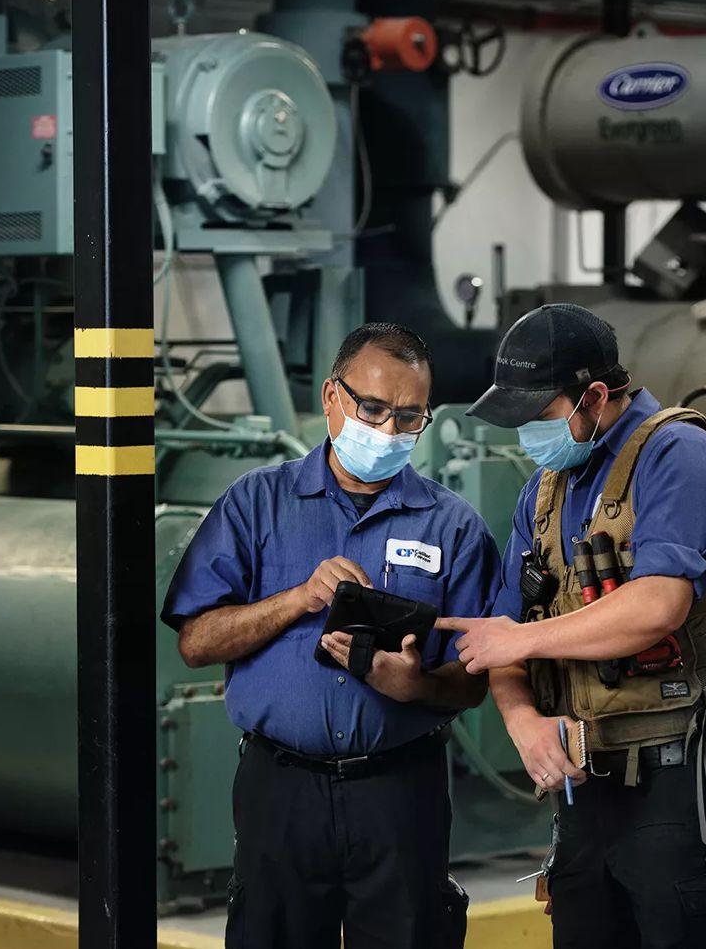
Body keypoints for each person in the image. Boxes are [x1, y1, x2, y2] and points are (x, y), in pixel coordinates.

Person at [161, 322, 503, 949]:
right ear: (331, 398)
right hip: (281, 788)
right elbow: (196, 641)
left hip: (400, 791)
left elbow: (475, 680)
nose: (388, 431)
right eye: (372, 409)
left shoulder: (453, 528)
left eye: (409, 418)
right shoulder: (256, 504)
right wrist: (298, 599)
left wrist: (417, 685)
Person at [437, 304, 706, 949]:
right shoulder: (546, 487)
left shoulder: (677, 453)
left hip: (673, 792)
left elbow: (658, 604)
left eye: (539, 416)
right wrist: (523, 724)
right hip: (580, 792)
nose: (527, 436)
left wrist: (520, 640)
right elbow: (500, 632)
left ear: (596, 396)